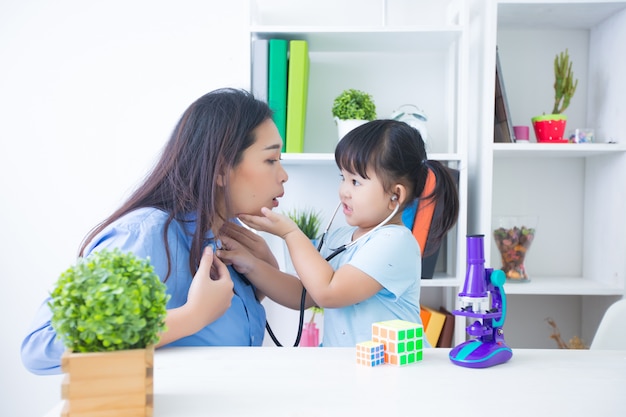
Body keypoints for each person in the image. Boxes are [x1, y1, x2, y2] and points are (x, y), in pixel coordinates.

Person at [21, 88, 289, 375]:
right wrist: (190, 317)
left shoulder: (231, 233)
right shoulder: (144, 236)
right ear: (221, 169)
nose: (283, 175)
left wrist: (259, 282)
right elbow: (40, 348)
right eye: (271, 160)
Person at [221, 119, 459, 347]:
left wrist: (291, 233)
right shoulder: (340, 238)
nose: (344, 190)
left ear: (395, 195)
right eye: (342, 177)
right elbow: (304, 294)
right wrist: (251, 265)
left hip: (391, 370)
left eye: (355, 182)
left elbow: (328, 292)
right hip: (350, 370)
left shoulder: (396, 243)